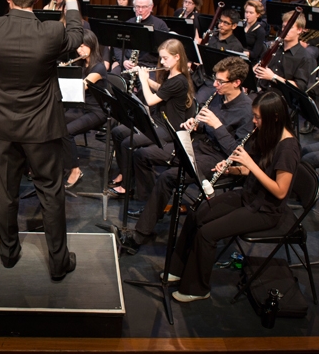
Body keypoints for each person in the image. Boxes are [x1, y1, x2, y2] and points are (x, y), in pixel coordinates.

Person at [0, 0, 83, 280]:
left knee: (6, 193)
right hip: (41, 127)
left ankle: (9, 253)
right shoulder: (51, 33)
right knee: (51, 193)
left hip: (0, 127)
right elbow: (76, 35)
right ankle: (58, 263)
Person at [168, 91, 300, 302]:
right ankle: (177, 268)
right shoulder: (269, 135)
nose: (254, 122)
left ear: (275, 117)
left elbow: (280, 190)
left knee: (208, 233)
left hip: (266, 209)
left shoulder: (288, 148)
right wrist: (234, 170)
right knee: (196, 213)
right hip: (249, 195)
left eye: (258, 117)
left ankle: (197, 288)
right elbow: (256, 170)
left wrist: (249, 163)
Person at [116, 57, 255, 253]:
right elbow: (204, 127)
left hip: (216, 158)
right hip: (196, 145)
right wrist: (196, 125)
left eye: (220, 82)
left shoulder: (247, 111)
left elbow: (237, 152)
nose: (214, 85)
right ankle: (154, 207)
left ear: (237, 83)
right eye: (215, 79)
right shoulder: (218, 96)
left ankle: (139, 235)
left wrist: (217, 126)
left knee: (168, 176)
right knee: (142, 155)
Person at [108, 39, 195, 197]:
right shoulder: (171, 76)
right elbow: (163, 90)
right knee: (117, 132)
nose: (162, 61)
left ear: (177, 58)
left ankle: (129, 185)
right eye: (161, 58)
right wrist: (147, 79)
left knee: (128, 143)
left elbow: (151, 100)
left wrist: (142, 80)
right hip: (157, 122)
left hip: (169, 128)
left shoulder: (179, 80)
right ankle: (125, 172)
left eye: (165, 58)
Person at [63, 29, 108, 189]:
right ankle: (57, 163)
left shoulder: (99, 68)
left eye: (83, 46)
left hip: (97, 111)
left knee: (67, 132)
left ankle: (75, 170)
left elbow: (81, 87)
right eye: (78, 47)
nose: (79, 50)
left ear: (92, 45)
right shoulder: (80, 64)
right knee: (55, 123)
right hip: (81, 108)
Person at [111, 0, 170, 75]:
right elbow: (117, 46)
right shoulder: (129, 23)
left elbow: (165, 49)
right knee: (113, 79)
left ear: (151, 7)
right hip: (128, 64)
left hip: (148, 66)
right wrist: (124, 61)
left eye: (144, 7)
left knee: (145, 86)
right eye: (137, 7)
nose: (140, 10)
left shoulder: (160, 25)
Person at [253, 10, 310, 93]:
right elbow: (260, 67)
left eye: (289, 28)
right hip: (262, 92)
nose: (285, 31)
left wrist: (273, 77)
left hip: (281, 98)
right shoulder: (273, 48)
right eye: (284, 27)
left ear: (299, 30)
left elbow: (299, 86)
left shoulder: (305, 57)